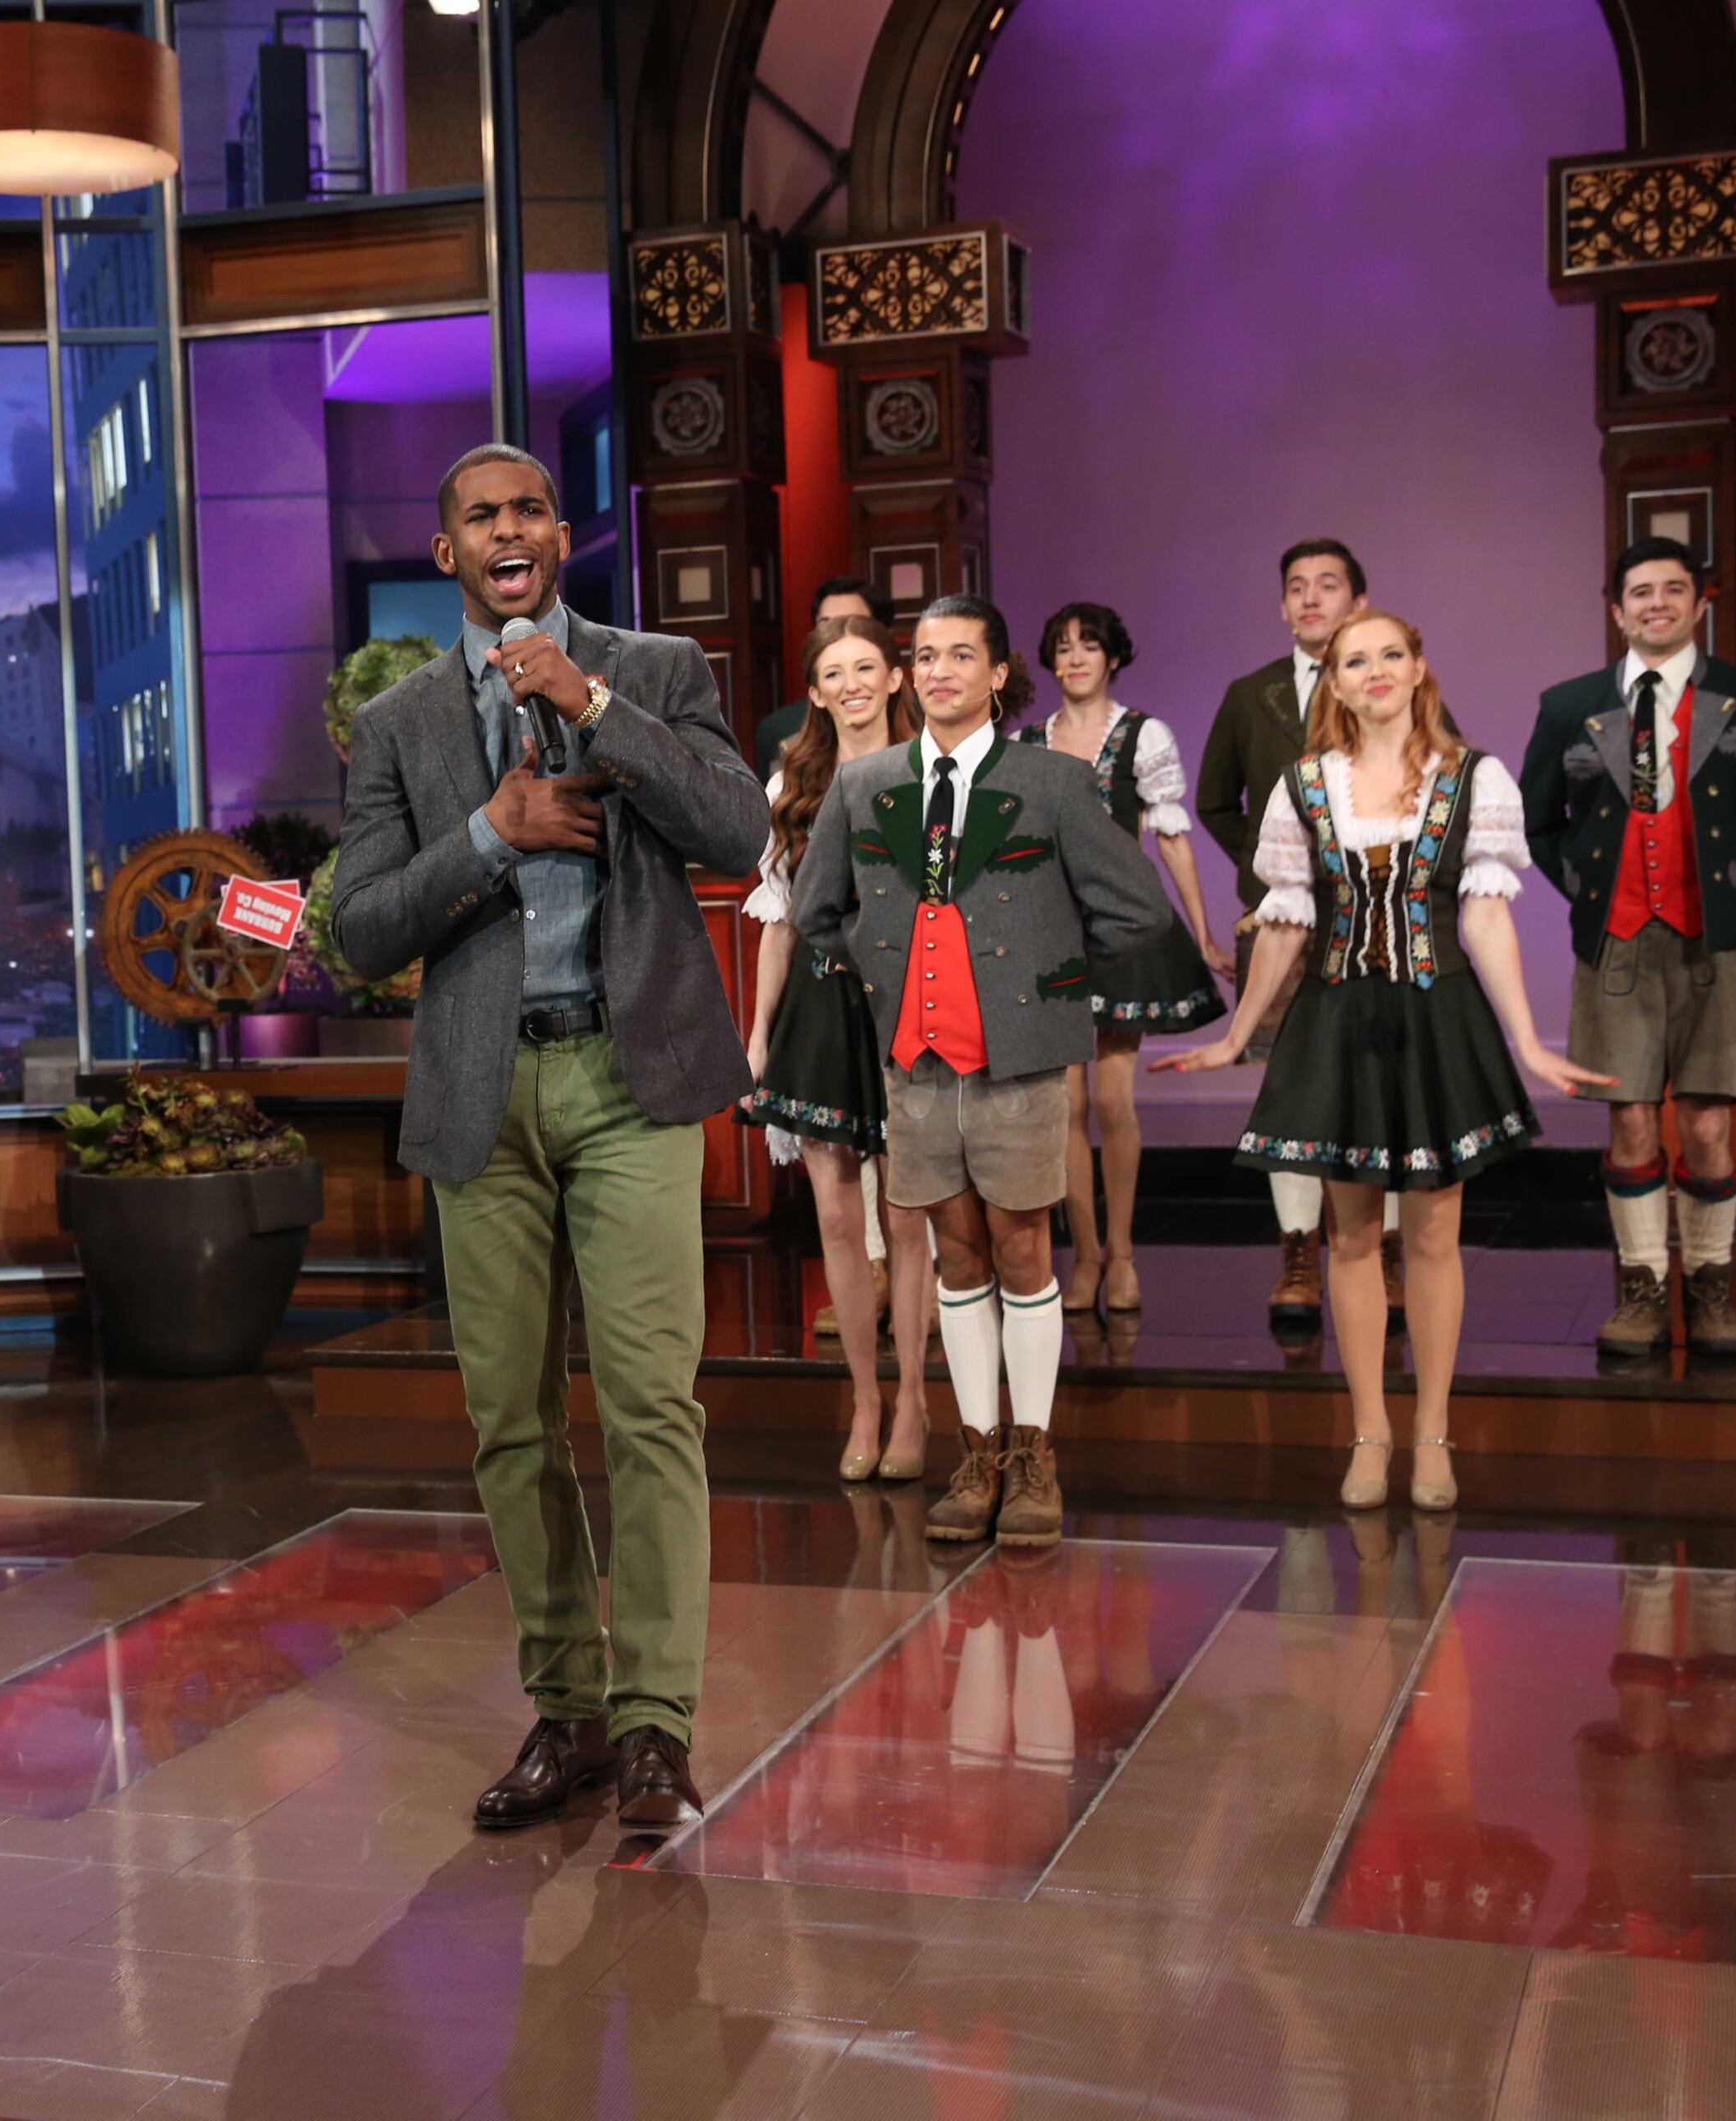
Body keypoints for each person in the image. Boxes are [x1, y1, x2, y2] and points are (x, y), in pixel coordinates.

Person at [332, 442, 769, 1834]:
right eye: (481, 516)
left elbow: (739, 831)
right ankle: (569, 1712)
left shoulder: (659, 667)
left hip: (630, 1081)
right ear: (448, 550)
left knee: (651, 1407)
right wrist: (490, 831)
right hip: (483, 1096)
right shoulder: (398, 722)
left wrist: (595, 706)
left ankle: (655, 1728)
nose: (507, 530)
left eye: (528, 509)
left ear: (560, 536)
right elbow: (360, 927)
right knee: (511, 1426)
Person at [1161, 612, 1608, 1513]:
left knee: (1435, 1237)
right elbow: (1286, 919)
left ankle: (1433, 1431)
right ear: (1333, 681)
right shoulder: (1304, 785)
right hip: (1337, 1019)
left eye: (1390, 655)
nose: (1374, 671)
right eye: (1355, 659)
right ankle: (1370, 1432)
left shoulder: (1471, 778)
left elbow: (1485, 917)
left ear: (1417, 668)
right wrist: (1237, 1035)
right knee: (1353, 1237)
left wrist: (1528, 1039)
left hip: (1437, 1016)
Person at [793, 595, 1176, 1548]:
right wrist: (883, 969)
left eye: (961, 655)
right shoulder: (865, 784)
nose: (940, 671)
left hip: (1019, 1060)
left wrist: (1049, 981)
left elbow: (1139, 908)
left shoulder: (1052, 782)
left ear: (999, 675)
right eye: (925, 656)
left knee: (1021, 1252)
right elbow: (815, 911)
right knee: (956, 1257)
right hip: (917, 1064)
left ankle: (1034, 1456)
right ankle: (978, 1451)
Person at [1520, 536, 1736, 1360]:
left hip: (1718, 944)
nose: (1658, 604)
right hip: (1615, 945)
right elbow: (1539, 820)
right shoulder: (1568, 704)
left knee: (1710, 1125)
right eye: (1642, 592)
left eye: (1674, 590)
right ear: (1618, 611)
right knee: (1631, 1123)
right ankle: (1642, 1290)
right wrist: (1590, 889)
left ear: (1699, 603)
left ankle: (1710, 1288)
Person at [738, 613, 936, 1485]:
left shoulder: (932, 767)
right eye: (834, 673)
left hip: (912, 1003)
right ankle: (865, 1399)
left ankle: (916, 1401)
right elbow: (778, 921)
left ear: (895, 677)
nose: (852, 684)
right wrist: (756, 1039)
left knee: (910, 1213)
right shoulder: (794, 780)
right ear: (815, 693)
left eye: (867, 668)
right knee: (835, 1218)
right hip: (821, 1007)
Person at [1197, 539, 1405, 1334]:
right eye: (1296, 587)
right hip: (1280, 919)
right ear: (1282, 607)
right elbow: (1217, 801)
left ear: (1359, 601)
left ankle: (1385, 1249)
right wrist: (1271, 868)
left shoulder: (1396, 683)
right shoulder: (1251, 695)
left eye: (1328, 585)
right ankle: (1298, 1253)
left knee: (1381, 1082)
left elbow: (1438, 769)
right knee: (1286, 1088)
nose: (1311, 598)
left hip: (1380, 915)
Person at [1034, 602, 1229, 1315]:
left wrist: (1203, 934)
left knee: (1113, 1099)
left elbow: (1171, 836)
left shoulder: (1144, 736)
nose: (1076, 657)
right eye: (1064, 646)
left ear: (1113, 657)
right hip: (1052, 934)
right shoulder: (1027, 743)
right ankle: (1084, 1258)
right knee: (1066, 1104)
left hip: (1122, 928)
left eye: (1089, 645)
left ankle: (1121, 1256)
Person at [752, 577, 892, 776]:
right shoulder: (779, 729)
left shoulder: (926, 725)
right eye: (826, 625)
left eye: (854, 623)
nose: (839, 634)